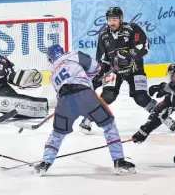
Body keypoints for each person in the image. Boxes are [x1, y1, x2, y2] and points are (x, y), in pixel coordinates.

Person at [33, 44, 136, 176]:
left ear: (50, 60)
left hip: (64, 103)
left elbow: (62, 92)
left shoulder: (53, 76)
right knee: (109, 125)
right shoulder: (73, 55)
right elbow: (96, 68)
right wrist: (88, 79)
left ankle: (45, 163)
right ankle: (119, 162)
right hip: (86, 97)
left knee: (57, 133)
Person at [78, 6, 175, 134]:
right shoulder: (103, 35)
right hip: (114, 70)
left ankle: (164, 117)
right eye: (110, 19)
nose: (112, 22)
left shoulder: (132, 29)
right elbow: (102, 59)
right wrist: (98, 76)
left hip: (135, 68)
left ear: (120, 19)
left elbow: (145, 47)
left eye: (115, 19)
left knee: (141, 98)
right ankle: (88, 118)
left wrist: (130, 55)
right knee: (108, 96)